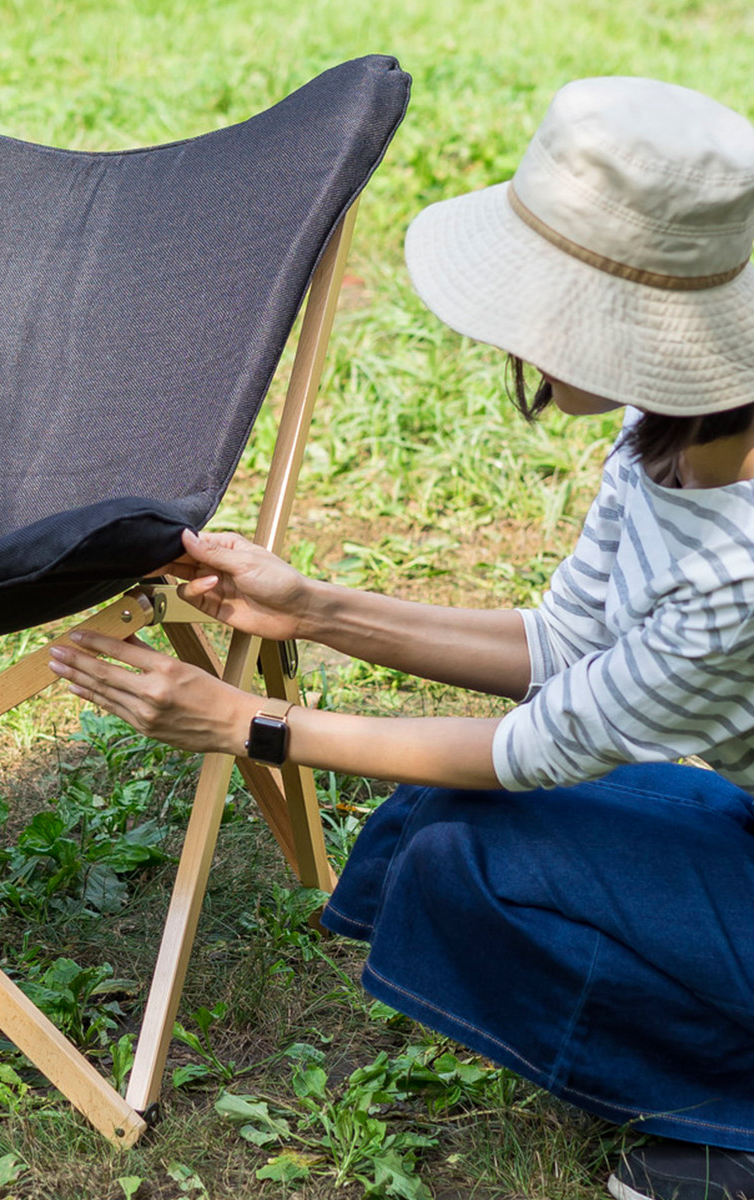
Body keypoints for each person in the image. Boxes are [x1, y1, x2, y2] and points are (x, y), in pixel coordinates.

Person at [47, 75, 754, 1200]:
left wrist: (250, 726)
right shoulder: (679, 428)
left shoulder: (740, 566)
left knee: (470, 869)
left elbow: (543, 749)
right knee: (435, 817)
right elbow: (568, 643)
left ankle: (735, 1119)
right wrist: (316, 608)